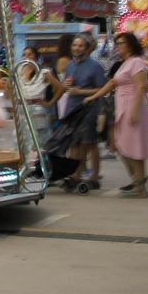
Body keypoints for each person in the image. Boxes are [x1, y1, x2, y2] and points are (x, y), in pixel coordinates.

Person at [83, 32, 148, 196]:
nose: (118, 46)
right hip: (123, 106)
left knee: (134, 146)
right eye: (117, 43)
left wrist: (135, 110)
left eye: (121, 43)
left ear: (130, 44)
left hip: (132, 106)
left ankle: (139, 184)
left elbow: (141, 86)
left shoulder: (136, 62)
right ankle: (137, 180)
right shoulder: (125, 63)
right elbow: (113, 83)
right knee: (120, 143)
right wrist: (94, 96)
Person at [59, 34, 108, 186]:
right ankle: (76, 175)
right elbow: (67, 86)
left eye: (80, 46)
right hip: (71, 108)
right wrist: (67, 87)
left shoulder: (95, 66)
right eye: (74, 45)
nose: (77, 48)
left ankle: (94, 177)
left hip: (89, 109)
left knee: (89, 143)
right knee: (73, 143)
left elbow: (102, 89)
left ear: (86, 48)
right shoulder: (70, 65)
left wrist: (81, 92)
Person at [15, 46, 53, 140]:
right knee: (23, 139)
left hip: (37, 108)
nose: (27, 57)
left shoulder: (43, 72)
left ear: (36, 56)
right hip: (22, 109)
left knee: (39, 139)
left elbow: (59, 88)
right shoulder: (18, 71)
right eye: (24, 55)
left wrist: (49, 103)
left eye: (30, 54)